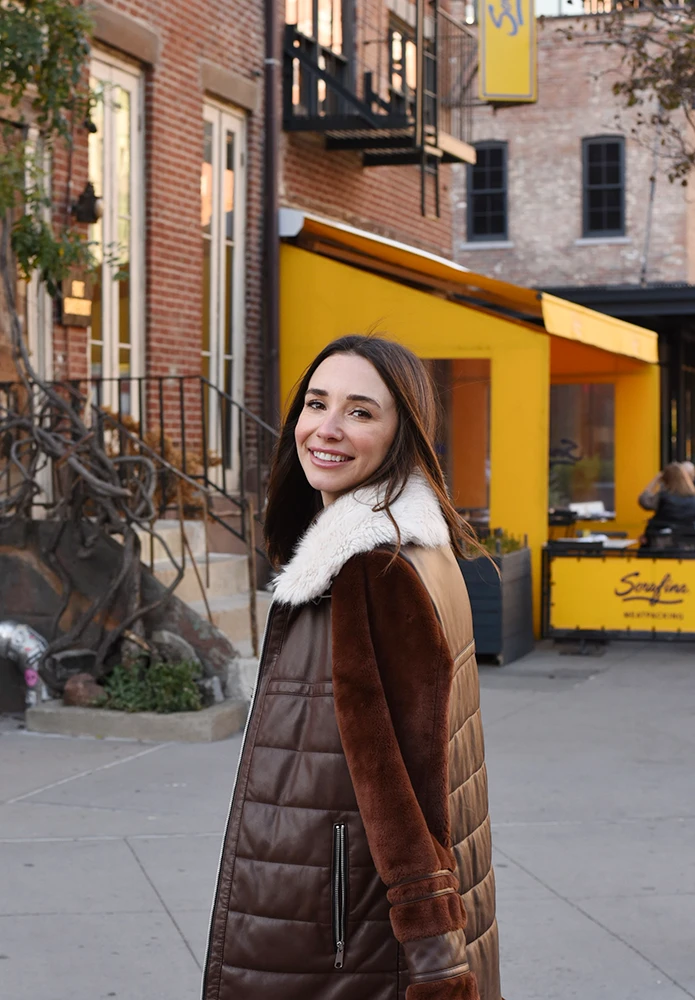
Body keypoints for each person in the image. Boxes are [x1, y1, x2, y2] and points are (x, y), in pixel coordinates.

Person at [202, 335, 502, 1000]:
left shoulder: (372, 570)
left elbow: (399, 783)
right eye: (316, 403)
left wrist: (435, 958)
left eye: (360, 412)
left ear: (401, 436)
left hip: (343, 930)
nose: (326, 429)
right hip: (349, 913)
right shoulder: (416, 548)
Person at [643, 461, 695, 546]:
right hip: (688, 547)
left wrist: (655, 480)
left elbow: (644, 501)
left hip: (662, 545)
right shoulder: (693, 498)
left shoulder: (663, 497)